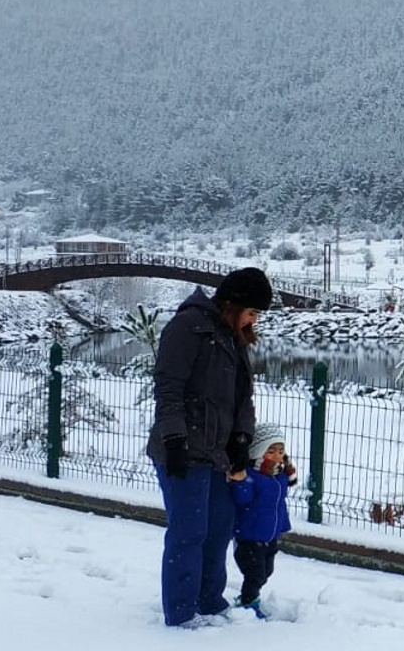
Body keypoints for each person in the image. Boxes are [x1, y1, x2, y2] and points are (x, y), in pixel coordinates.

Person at [146, 266, 272, 627]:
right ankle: (181, 615)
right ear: (231, 303)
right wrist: (174, 439)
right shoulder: (188, 327)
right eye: (252, 311)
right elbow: (168, 387)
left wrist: (242, 440)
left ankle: (209, 603)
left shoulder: (232, 335)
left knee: (219, 528)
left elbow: (242, 398)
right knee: (189, 532)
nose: (254, 320)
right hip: (183, 449)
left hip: (217, 454)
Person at [229, 423, 296, 617]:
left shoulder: (279, 475)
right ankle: (248, 603)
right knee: (255, 574)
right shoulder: (251, 475)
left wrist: (283, 523)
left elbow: (279, 503)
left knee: (267, 572)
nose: (277, 455)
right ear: (258, 452)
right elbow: (243, 499)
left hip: (270, 534)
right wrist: (240, 481)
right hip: (250, 535)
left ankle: (249, 598)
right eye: (271, 451)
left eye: (281, 451)